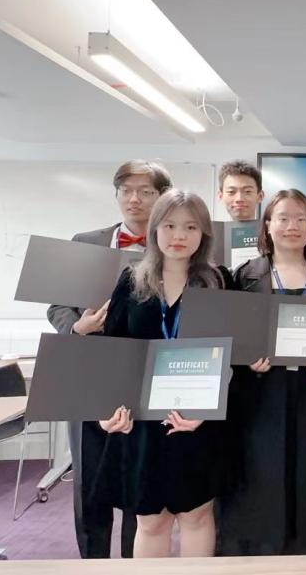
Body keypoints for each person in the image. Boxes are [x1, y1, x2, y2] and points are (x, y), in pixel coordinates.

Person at [46, 159, 172, 559]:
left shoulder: (173, 243)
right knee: (89, 475)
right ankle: (93, 563)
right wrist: (77, 327)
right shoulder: (84, 242)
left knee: (138, 473)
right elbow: (57, 305)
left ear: (162, 196)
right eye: (126, 191)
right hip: (88, 371)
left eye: (146, 192)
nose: (135, 199)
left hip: (143, 372)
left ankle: (135, 563)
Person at [100, 189, 232, 558]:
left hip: (196, 420)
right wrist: (107, 410)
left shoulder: (219, 281)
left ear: (204, 233)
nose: (179, 235)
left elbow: (232, 357)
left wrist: (205, 412)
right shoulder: (131, 280)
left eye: (191, 227)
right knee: (150, 521)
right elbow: (111, 351)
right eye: (170, 225)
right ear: (155, 228)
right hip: (142, 423)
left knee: (196, 516)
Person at [218, 189, 306, 556]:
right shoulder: (244, 275)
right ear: (268, 226)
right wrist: (246, 360)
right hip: (260, 392)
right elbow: (232, 337)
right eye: (284, 218)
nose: (293, 226)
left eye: (302, 219)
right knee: (262, 465)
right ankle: (261, 548)